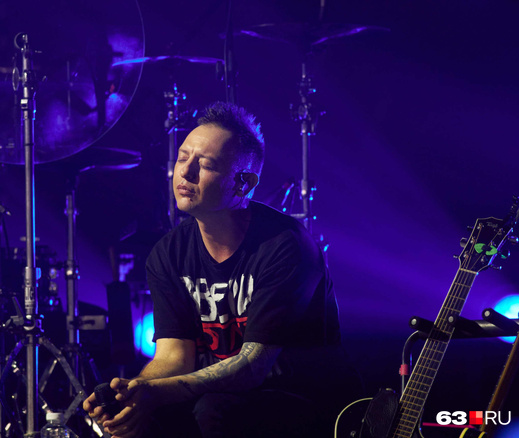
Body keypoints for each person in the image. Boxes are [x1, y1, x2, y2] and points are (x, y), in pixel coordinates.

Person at [83, 101, 360, 438]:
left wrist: (155, 393)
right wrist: (132, 394)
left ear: (243, 184)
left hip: (310, 401)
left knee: (213, 411)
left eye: (205, 164)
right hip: (226, 395)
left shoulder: (285, 245)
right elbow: (174, 357)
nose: (185, 172)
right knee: (149, 416)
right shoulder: (169, 253)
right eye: (182, 158)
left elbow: (252, 366)